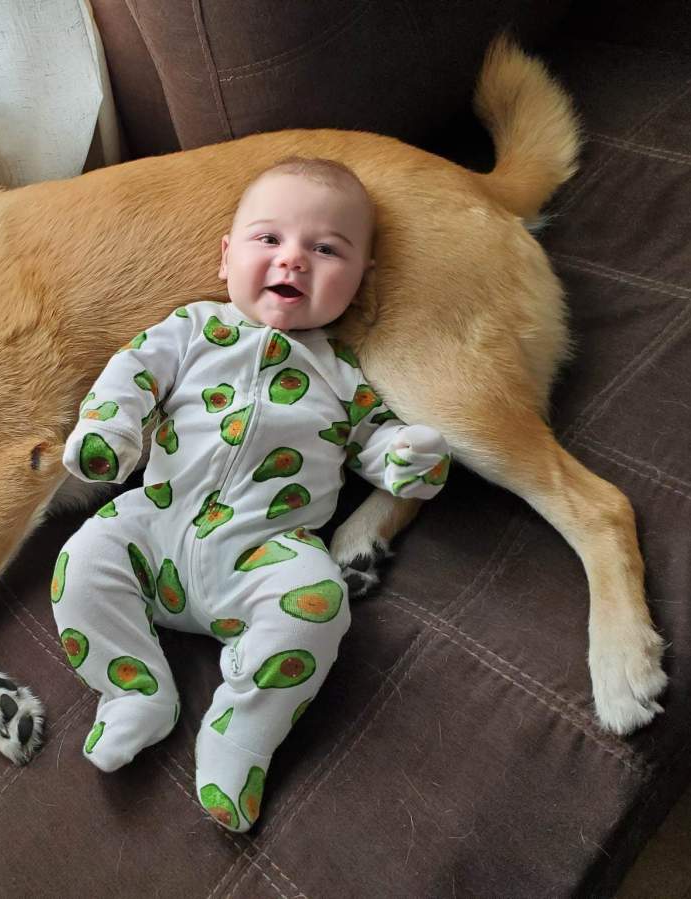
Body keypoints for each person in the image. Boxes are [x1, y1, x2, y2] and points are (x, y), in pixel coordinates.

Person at [50, 157, 451, 831]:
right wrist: (109, 426)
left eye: (326, 250)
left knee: (320, 607)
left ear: (359, 282)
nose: (293, 259)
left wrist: (409, 461)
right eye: (269, 239)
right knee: (83, 562)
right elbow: (132, 372)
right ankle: (134, 689)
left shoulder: (342, 373)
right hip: (155, 525)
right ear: (225, 257)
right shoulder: (191, 329)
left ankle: (240, 737)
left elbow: (376, 443)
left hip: (265, 554)